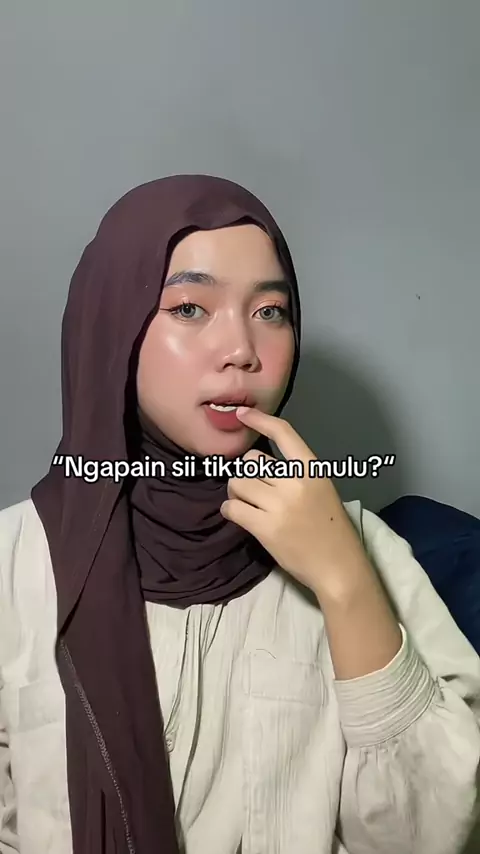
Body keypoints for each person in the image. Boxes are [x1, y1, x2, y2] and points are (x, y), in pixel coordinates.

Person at [0, 175, 479, 854]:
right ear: (114, 327)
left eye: (271, 311)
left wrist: (344, 581)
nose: (242, 350)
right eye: (191, 307)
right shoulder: (15, 563)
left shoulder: (359, 547)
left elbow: (429, 836)